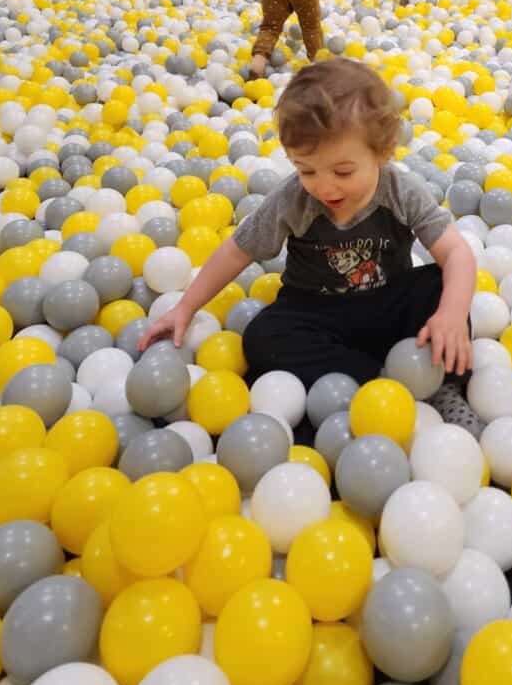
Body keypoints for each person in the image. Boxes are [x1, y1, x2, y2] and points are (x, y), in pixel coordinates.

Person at [139, 58, 478, 425]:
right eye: (306, 170)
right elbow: (238, 250)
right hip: (317, 311)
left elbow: (456, 251)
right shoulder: (293, 200)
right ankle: (379, 381)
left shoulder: (400, 191)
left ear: (382, 152)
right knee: (262, 337)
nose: (324, 186)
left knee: (436, 284)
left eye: (343, 171)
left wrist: (451, 314)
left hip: (386, 303)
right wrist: (186, 307)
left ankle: (440, 385)